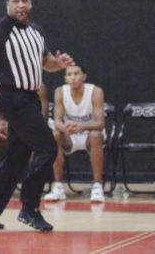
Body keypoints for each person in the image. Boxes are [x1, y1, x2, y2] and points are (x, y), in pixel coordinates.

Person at [0, 0, 75, 232]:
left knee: (17, 155)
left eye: (25, 0)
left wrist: (60, 64)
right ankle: (29, 208)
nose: (21, 5)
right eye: (16, 1)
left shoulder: (36, 30)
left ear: (31, 4)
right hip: (13, 98)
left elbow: (46, 63)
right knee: (47, 147)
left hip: (31, 97)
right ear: (8, 5)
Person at [0, 85, 47, 211]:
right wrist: (3, 123)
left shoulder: (38, 86)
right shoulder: (7, 82)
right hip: (14, 130)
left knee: (41, 149)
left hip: (32, 129)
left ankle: (29, 195)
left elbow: (42, 117)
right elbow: (4, 113)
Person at [43, 64, 107, 203]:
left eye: (76, 74)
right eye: (69, 74)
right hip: (70, 135)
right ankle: (58, 187)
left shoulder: (95, 91)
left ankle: (97, 186)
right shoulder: (60, 91)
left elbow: (100, 123)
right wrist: (67, 128)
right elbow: (57, 121)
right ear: (65, 78)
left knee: (96, 134)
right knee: (55, 134)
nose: (73, 77)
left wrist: (82, 126)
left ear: (84, 76)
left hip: (89, 135)